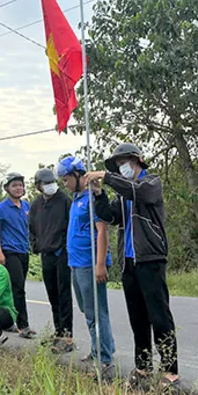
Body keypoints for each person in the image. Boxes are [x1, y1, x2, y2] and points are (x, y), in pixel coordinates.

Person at [85, 143, 179, 388]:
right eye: (117, 165)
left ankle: (170, 368)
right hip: (129, 261)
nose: (120, 167)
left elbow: (138, 192)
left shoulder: (150, 183)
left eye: (122, 162)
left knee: (159, 315)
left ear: (136, 160)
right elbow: (108, 215)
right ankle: (143, 366)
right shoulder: (123, 195)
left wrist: (107, 177)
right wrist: (99, 194)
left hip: (150, 258)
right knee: (137, 317)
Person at [56, 155, 115, 377]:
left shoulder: (92, 198)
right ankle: (97, 348)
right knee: (86, 309)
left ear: (78, 175)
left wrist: (100, 264)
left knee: (96, 312)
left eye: (66, 179)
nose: (64, 184)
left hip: (90, 264)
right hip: (76, 263)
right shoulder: (76, 198)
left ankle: (104, 358)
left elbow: (102, 231)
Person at [28, 168, 74, 353]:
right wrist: (35, 245)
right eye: (46, 183)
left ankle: (67, 337)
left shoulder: (65, 201)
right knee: (52, 294)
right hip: (46, 254)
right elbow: (31, 227)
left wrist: (66, 246)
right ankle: (58, 332)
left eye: (51, 182)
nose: (50, 186)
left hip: (62, 253)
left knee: (64, 294)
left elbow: (72, 225)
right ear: (38, 186)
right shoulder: (36, 205)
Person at [0, 172, 35, 338]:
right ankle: (23, 326)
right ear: (7, 188)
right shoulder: (1, 208)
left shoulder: (26, 206)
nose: (18, 188)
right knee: (18, 289)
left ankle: (6, 321)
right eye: (14, 185)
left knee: (11, 289)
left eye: (20, 185)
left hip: (24, 251)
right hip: (9, 252)